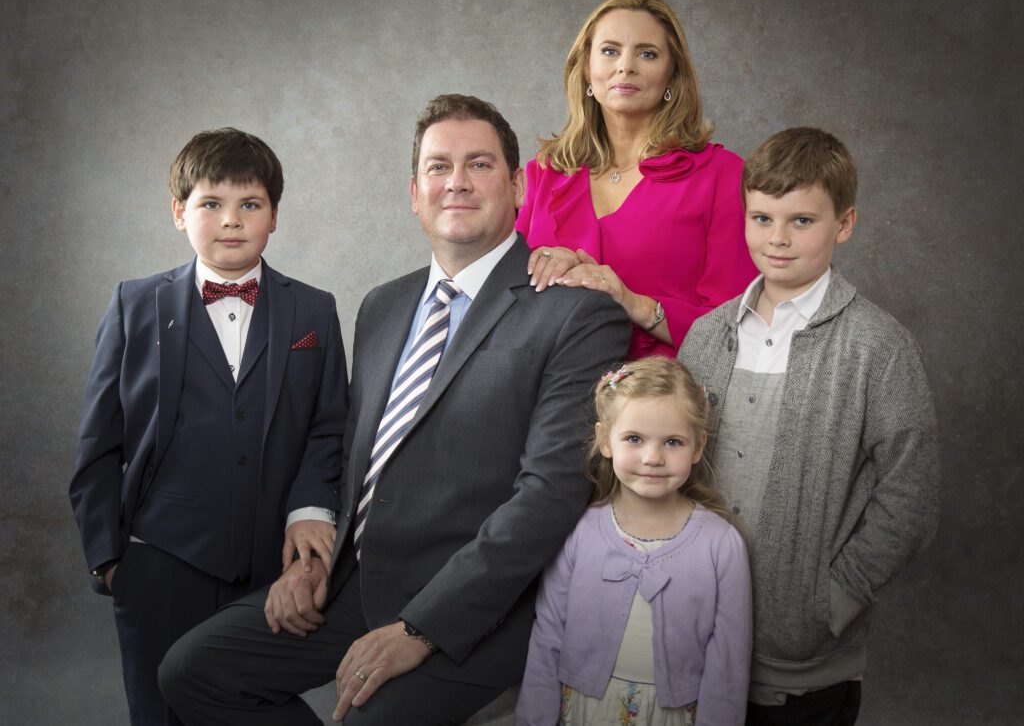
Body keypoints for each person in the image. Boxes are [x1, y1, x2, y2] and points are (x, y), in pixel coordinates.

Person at [158, 95, 632, 724]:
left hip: (478, 604)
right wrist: (313, 558)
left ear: (518, 185)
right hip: (357, 580)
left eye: (479, 164)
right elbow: (351, 448)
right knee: (192, 672)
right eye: (438, 167)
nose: (456, 181)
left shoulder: (575, 310)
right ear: (415, 192)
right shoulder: (383, 305)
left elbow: (550, 493)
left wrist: (422, 628)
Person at [68, 128, 349, 726]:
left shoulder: (314, 311)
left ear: (274, 215)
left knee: (245, 707)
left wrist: (309, 514)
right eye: (210, 204)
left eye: (250, 204)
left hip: (271, 566)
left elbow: (329, 432)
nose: (231, 220)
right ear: (179, 213)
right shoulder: (133, 305)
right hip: (157, 563)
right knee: (161, 714)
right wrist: (109, 561)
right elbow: (98, 444)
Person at [680, 127, 939, 725]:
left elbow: (912, 496)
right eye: (762, 217)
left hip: (803, 666)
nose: (777, 238)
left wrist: (833, 600)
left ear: (844, 224)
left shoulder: (878, 346)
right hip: (692, 643)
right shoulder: (707, 335)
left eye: (802, 220)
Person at [515, 0, 756, 359]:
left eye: (647, 53)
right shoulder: (544, 174)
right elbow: (507, 303)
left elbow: (737, 328)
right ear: (586, 72)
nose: (626, 66)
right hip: (550, 397)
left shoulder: (722, 176)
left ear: (672, 76)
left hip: (668, 403)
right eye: (610, 50)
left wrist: (634, 304)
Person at [516, 357, 752, 726]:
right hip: (583, 709)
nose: (652, 458)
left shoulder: (721, 544)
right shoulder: (579, 529)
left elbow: (729, 661)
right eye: (634, 439)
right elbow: (548, 634)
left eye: (672, 441)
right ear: (604, 439)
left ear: (697, 446)